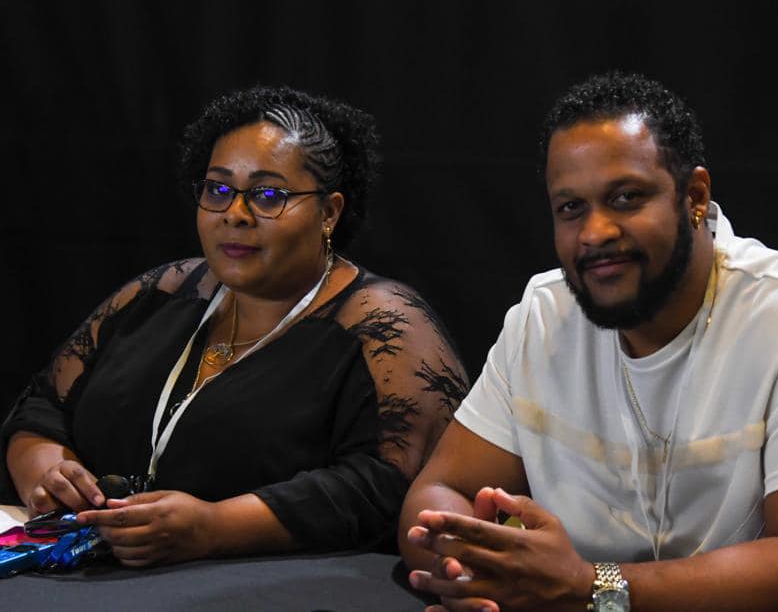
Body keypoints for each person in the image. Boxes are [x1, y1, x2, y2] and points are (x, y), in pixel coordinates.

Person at [398, 72, 778, 611]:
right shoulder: (542, 318)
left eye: (626, 198)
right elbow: (438, 496)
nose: (595, 232)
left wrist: (589, 587)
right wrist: (475, 574)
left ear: (694, 196)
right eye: (571, 208)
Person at [1, 86, 468, 567]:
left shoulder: (386, 327)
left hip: (283, 588)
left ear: (329, 212)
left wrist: (215, 527)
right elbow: (43, 404)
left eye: (268, 196)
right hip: (86, 574)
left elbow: (389, 488)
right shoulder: (161, 292)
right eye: (218, 190)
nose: (235, 215)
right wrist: (46, 471)